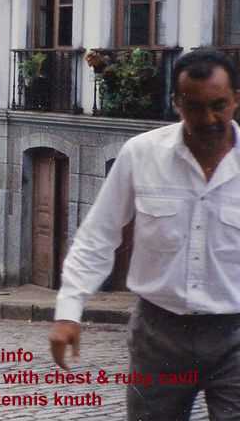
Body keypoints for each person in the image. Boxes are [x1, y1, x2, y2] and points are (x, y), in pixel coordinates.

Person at [50, 49, 240, 420]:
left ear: (236, 99)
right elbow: (98, 235)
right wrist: (68, 312)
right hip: (159, 335)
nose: (209, 118)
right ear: (176, 104)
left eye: (219, 105)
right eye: (195, 107)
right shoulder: (141, 154)